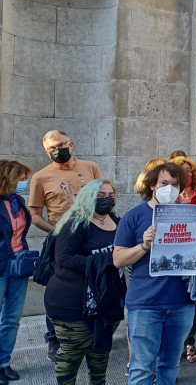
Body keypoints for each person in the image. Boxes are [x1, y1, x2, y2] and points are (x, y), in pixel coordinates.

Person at [113, 163, 196, 385]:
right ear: (152, 186)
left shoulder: (189, 214)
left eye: (174, 184)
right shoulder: (134, 216)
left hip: (181, 303)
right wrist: (144, 246)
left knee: (170, 364)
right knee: (141, 368)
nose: (169, 188)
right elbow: (118, 259)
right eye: (164, 183)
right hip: (145, 304)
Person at [29, 130, 103, 360]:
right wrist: (58, 233)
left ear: (71, 144)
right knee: (59, 288)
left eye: (61, 144)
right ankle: (54, 338)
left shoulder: (90, 167)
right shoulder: (40, 177)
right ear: (46, 151)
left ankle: (92, 335)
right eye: (52, 147)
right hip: (62, 242)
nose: (57, 150)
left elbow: (103, 196)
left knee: (93, 284)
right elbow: (35, 214)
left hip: (91, 237)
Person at [45, 179, 124, 385]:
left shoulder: (117, 220)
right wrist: (107, 261)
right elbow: (65, 258)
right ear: (88, 197)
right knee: (72, 354)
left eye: (111, 195)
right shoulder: (76, 222)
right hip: (71, 301)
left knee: (100, 351)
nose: (107, 199)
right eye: (101, 196)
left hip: (105, 300)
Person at [168, 155, 196, 362]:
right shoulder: (169, 196)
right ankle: (173, 345)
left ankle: (189, 342)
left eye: (190, 170)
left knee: (192, 300)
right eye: (183, 170)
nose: (189, 174)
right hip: (173, 256)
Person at [0, 160, 32, 384]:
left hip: (18, 266)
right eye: (20, 178)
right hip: (1, 266)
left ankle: (4, 362)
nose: (24, 182)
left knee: (11, 318)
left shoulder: (18, 201)